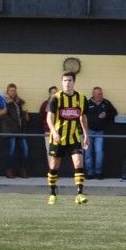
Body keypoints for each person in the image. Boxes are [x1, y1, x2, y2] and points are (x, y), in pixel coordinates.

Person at [45, 71, 91, 205]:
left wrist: (86, 135)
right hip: (58, 138)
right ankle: (52, 193)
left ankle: (80, 193)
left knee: (78, 163)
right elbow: (50, 118)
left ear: (74, 82)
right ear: (61, 82)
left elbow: (83, 117)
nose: (67, 83)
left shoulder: (81, 98)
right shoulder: (55, 98)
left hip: (74, 137)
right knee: (54, 166)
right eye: (65, 81)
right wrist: (54, 131)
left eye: (70, 80)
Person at [85, 86, 117, 180]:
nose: (100, 95)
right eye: (98, 94)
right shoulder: (87, 103)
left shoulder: (106, 103)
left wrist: (106, 115)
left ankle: (98, 172)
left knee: (99, 153)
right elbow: (81, 116)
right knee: (88, 153)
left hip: (100, 132)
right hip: (88, 132)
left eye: (101, 93)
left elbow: (114, 113)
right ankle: (89, 173)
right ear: (93, 94)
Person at [1, 83, 30, 178]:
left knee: (25, 150)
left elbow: (22, 115)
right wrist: (15, 125)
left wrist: (25, 118)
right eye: (11, 90)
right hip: (9, 130)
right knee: (11, 151)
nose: (13, 92)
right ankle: (8, 171)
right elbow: (4, 116)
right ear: (7, 91)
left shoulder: (19, 102)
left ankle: (22, 170)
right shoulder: (4, 102)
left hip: (20, 130)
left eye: (14, 90)